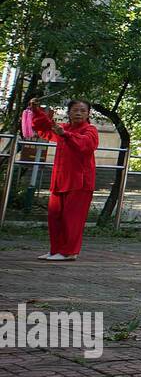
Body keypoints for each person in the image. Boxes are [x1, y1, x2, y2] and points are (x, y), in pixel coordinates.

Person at [29, 98, 98, 262]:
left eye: (82, 110)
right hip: (60, 180)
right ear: (69, 113)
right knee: (55, 217)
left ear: (88, 113)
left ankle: (69, 252)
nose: (79, 113)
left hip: (80, 182)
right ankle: (56, 250)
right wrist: (36, 110)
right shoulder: (64, 128)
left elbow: (86, 145)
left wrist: (65, 135)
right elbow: (45, 127)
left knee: (72, 219)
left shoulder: (90, 130)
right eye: (75, 110)